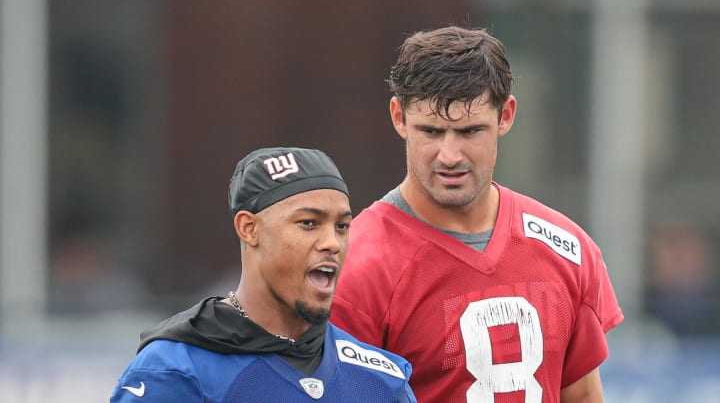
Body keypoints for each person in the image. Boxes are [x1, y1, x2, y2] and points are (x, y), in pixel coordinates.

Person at [330, 26, 624, 403]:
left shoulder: (567, 248)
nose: (450, 155)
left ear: (506, 116)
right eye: (431, 132)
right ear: (399, 118)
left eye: (469, 131)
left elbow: (582, 395)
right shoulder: (355, 264)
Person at [110, 147, 417, 402]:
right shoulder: (175, 371)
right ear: (249, 229)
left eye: (342, 226)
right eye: (309, 223)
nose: (331, 243)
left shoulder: (383, 380)